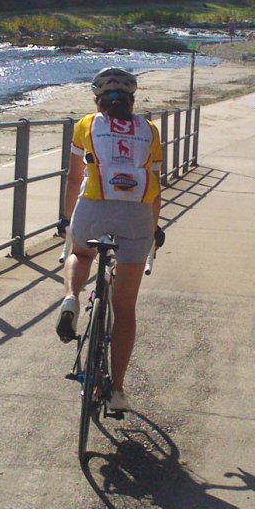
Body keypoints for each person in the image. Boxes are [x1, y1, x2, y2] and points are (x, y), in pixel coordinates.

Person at [55, 67, 165, 412]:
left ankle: (71, 299)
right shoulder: (150, 130)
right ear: (132, 100)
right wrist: (155, 226)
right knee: (125, 309)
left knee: (81, 253)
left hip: (93, 209)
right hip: (136, 215)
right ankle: (117, 390)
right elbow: (157, 187)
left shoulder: (86, 125)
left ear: (97, 100)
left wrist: (66, 217)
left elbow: (75, 179)